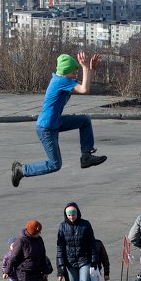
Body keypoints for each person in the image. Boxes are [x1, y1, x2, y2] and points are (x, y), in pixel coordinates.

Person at [11, 51, 107, 187]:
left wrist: (92, 69)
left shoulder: (62, 79)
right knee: (55, 164)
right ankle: (21, 170)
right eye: (73, 73)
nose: (75, 76)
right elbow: (84, 89)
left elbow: (85, 85)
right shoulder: (61, 81)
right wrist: (86, 67)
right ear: (65, 72)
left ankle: (86, 156)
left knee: (84, 120)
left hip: (55, 122)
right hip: (47, 128)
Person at [57, 202, 98, 281]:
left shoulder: (85, 225)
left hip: (84, 260)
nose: (71, 217)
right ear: (66, 215)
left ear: (77, 213)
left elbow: (92, 243)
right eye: (69, 215)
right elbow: (60, 247)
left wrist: (94, 260)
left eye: (73, 214)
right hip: (70, 262)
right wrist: (61, 266)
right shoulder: (62, 226)